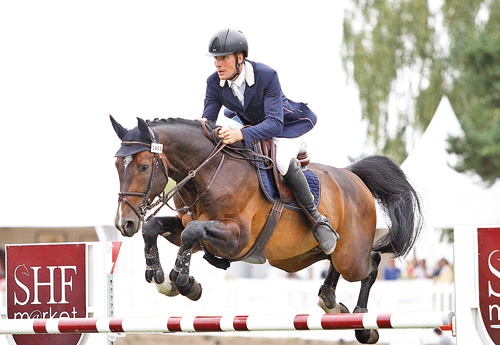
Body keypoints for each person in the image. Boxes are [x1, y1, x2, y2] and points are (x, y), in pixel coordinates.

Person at [202, 28, 339, 254]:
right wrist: (201, 127)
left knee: (283, 161)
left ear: (240, 58)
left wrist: (241, 135)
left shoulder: (266, 76)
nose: (218, 64)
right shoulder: (214, 82)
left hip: (284, 127)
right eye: (216, 59)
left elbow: (274, 123)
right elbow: (208, 119)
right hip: (246, 123)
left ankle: (318, 220)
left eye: (224, 58)